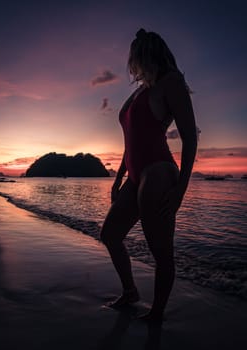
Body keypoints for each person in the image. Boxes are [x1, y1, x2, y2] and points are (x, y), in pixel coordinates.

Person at [100, 28, 197, 325]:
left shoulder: (171, 82)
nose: (132, 64)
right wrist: (118, 179)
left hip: (158, 171)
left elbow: (190, 138)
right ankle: (130, 292)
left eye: (136, 56)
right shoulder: (140, 90)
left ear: (147, 53)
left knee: (160, 250)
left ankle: (157, 312)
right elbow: (131, 140)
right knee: (110, 235)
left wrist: (180, 190)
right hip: (135, 174)